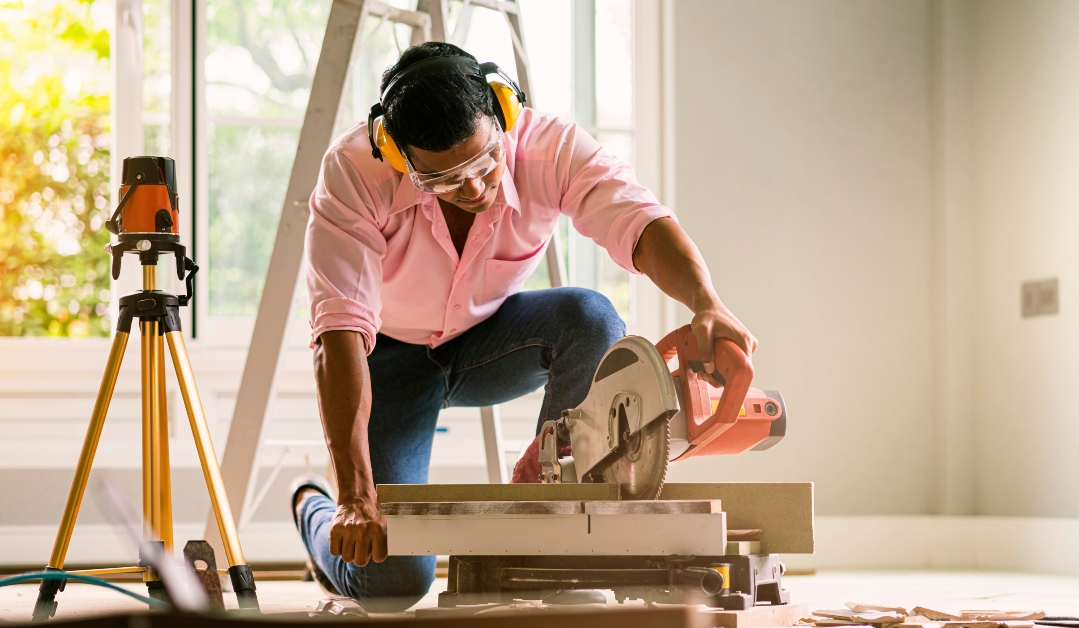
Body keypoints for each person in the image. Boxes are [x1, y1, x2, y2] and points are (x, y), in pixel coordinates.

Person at [289, 41, 756, 609]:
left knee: (590, 316)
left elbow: (638, 218)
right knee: (394, 581)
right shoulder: (354, 172)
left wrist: (706, 303)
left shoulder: (548, 147)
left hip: (491, 340)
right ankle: (311, 510)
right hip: (385, 358)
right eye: (442, 180)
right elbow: (338, 331)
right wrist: (354, 496)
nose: (474, 189)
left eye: (485, 163)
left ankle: (553, 526)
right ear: (396, 152)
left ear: (503, 113)